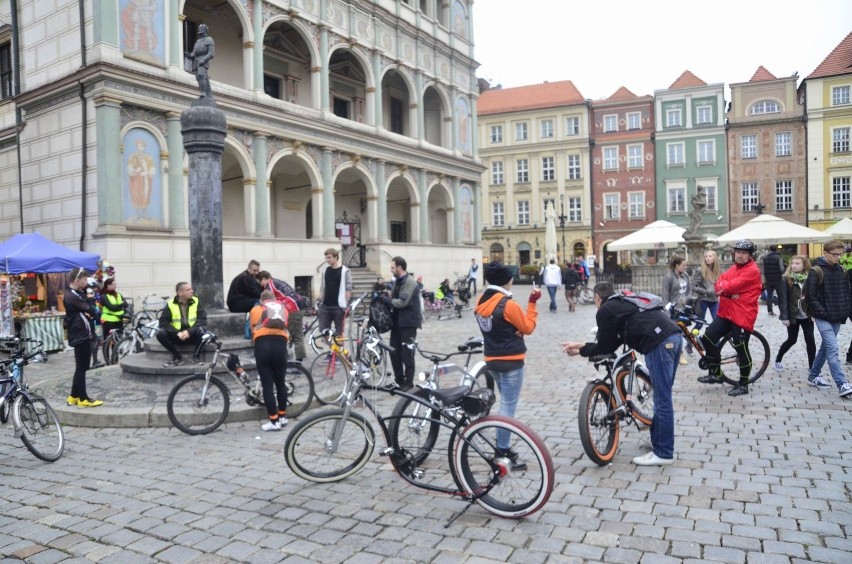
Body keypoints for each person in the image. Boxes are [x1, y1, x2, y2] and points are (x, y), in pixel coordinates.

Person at [563, 282, 681, 466]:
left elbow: (604, 347)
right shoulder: (622, 303)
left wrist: (580, 351)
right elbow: (612, 343)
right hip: (673, 336)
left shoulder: (605, 310)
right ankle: (660, 443)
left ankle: (664, 453)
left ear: (597, 297)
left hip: (659, 343)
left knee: (662, 398)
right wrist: (581, 346)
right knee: (662, 395)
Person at [474, 262, 540, 469]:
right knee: (508, 407)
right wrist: (532, 303)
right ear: (508, 280)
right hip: (512, 360)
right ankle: (502, 451)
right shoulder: (508, 304)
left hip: (492, 360)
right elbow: (528, 327)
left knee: (505, 403)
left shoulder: (480, 302)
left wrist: (513, 328)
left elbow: (495, 327)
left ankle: (504, 447)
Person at [697, 239, 763, 397]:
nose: (740, 256)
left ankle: (743, 384)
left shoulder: (752, 270)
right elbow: (720, 282)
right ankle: (717, 373)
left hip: (742, 313)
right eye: (738, 252)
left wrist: (725, 289)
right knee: (708, 338)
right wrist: (726, 290)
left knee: (741, 348)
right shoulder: (734, 268)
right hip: (727, 311)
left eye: (744, 253)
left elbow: (729, 286)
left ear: (749, 255)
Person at [804, 240, 852, 396]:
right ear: (825, 254)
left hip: (837, 317)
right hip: (823, 317)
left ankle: (813, 375)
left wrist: (844, 311)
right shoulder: (816, 271)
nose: (838, 257)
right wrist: (823, 313)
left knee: (825, 347)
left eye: (840, 254)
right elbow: (811, 296)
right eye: (835, 254)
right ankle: (842, 383)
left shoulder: (842, 270)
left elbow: (846, 293)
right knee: (832, 348)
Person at [249, 290, 290, 431]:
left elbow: (252, 329)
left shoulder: (256, 309)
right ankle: (283, 416)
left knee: (267, 384)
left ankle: (274, 421)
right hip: (280, 345)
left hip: (263, 346)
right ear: (274, 300)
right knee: (280, 382)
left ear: (262, 301)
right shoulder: (283, 310)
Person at [64, 268, 104, 408]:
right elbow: (93, 310)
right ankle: (83, 399)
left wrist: (90, 310)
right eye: (84, 279)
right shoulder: (72, 296)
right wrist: (91, 299)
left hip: (81, 332)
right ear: (77, 280)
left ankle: (73, 397)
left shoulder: (76, 293)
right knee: (82, 367)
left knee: (80, 367)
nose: (86, 282)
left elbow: (91, 314)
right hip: (81, 334)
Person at [380, 256, 420, 389]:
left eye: (392, 267)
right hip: (397, 322)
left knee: (407, 353)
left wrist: (388, 301)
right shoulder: (398, 281)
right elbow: (395, 298)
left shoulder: (410, 282)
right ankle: (399, 380)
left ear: (399, 267)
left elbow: (403, 302)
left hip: (408, 322)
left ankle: (409, 382)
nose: (391, 270)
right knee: (394, 351)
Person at [257, 271, 308, 364]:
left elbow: (269, 302)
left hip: (293, 308)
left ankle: (298, 363)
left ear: (264, 279)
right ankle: (292, 356)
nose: (260, 285)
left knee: (296, 335)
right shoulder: (277, 281)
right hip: (300, 304)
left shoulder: (269, 287)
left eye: (260, 282)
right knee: (295, 333)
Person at [775, 255, 815, 372]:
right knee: (792, 340)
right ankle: (778, 359)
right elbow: (783, 299)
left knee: (810, 340)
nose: (794, 266)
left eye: (797, 263)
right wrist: (784, 317)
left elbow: (814, 296)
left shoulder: (809, 278)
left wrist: (814, 313)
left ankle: (812, 367)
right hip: (793, 316)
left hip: (807, 315)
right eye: (792, 263)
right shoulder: (786, 279)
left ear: (804, 265)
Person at [157, 282, 208, 367]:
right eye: (188, 290)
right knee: (160, 333)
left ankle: (196, 357)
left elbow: (202, 319)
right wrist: (177, 332)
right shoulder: (170, 304)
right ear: (180, 293)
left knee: (204, 331)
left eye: (191, 289)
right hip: (177, 336)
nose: (192, 291)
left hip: (192, 334)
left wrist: (189, 331)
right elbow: (163, 322)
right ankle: (177, 358)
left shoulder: (196, 301)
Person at [318, 248, 353, 338]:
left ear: (336, 257)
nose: (327, 260)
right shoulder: (325, 270)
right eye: (326, 258)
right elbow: (322, 287)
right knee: (324, 332)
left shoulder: (345, 271)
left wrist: (347, 304)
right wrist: (319, 300)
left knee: (339, 333)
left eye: (329, 257)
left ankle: (338, 352)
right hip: (325, 306)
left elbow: (348, 288)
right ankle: (333, 351)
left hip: (339, 307)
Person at [692, 249, 720, 322]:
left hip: (714, 300)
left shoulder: (717, 271)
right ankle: (691, 334)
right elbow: (694, 287)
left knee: (717, 322)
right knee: (699, 324)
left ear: (715, 258)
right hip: (703, 300)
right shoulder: (700, 270)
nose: (707, 258)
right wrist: (706, 292)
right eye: (706, 256)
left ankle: (710, 333)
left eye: (710, 256)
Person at [190, 23, 215, 99]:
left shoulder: (209, 40)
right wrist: (189, 55)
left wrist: (203, 60)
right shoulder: (198, 41)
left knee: (201, 75)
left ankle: (203, 93)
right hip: (196, 61)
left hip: (202, 60)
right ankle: (208, 94)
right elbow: (194, 53)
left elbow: (211, 53)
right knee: (199, 77)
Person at [762, 245, 785, 317]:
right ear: (776, 249)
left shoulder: (765, 258)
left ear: (769, 249)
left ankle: (770, 311)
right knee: (780, 295)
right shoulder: (778, 258)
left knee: (769, 295)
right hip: (778, 279)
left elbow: (763, 270)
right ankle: (782, 311)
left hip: (768, 279)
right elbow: (782, 269)